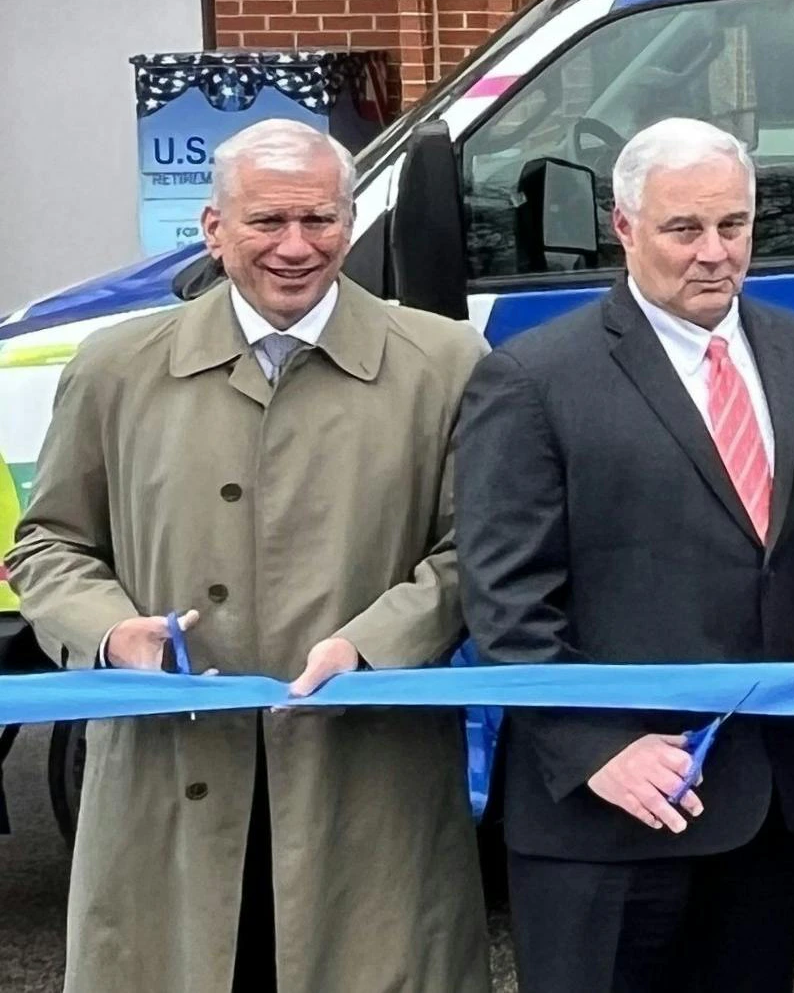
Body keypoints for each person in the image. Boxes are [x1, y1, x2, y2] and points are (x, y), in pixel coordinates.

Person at [8, 119, 489, 993]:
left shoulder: (446, 363)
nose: (296, 247)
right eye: (267, 222)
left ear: (352, 222)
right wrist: (115, 635)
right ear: (213, 228)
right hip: (166, 780)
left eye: (321, 220)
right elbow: (48, 544)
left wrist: (372, 644)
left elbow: (473, 550)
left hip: (369, 777)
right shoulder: (116, 368)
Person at [457, 116, 794, 993]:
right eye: (683, 229)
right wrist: (594, 750)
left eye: (733, 226)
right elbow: (504, 600)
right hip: (606, 818)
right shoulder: (534, 379)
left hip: (771, 800)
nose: (714, 252)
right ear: (622, 227)